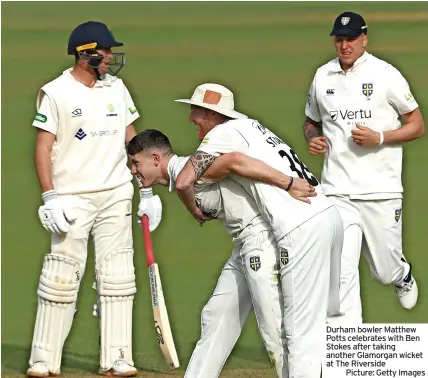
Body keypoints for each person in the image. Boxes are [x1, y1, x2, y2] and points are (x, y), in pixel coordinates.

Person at [174, 83, 344, 377]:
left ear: (213, 115)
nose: (191, 119)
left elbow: (184, 180)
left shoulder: (220, 134)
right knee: (322, 322)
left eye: (196, 111)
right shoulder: (252, 127)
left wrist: (194, 209)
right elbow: (230, 165)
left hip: (300, 226)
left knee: (297, 333)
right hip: (328, 215)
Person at [28, 21, 162, 377]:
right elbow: (42, 149)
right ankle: (44, 359)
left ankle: (118, 357)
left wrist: (146, 191)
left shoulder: (117, 89)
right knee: (62, 275)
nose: (112, 58)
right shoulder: (56, 92)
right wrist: (50, 197)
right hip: (71, 197)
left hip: (116, 193)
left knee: (117, 276)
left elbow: (132, 142)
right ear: (86, 54)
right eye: (107, 52)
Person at [127, 128, 318, 378]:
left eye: (135, 163)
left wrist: (289, 183)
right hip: (245, 247)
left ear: (155, 159)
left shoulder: (190, 170)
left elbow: (234, 160)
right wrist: (148, 195)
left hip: (262, 245)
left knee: (274, 334)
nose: (133, 171)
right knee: (216, 315)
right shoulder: (182, 174)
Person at [303, 11, 424, 322]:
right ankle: (344, 342)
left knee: (384, 271)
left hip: (380, 190)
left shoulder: (386, 74)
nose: (345, 46)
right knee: (340, 270)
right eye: (339, 40)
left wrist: (380, 136)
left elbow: (417, 125)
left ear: (364, 39)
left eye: (351, 39)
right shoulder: (322, 76)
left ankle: (401, 274)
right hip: (337, 191)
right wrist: (313, 138)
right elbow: (310, 121)